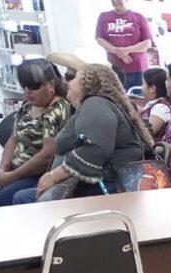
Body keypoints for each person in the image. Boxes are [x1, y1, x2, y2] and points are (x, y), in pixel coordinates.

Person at [13, 63, 155, 204]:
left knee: (20, 198)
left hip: (103, 188)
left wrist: (53, 176)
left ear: (88, 83)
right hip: (95, 184)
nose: (68, 82)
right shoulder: (95, 106)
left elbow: (94, 149)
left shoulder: (95, 104)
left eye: (74, 78)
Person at [0, 59, 71, 207]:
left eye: (34, 86)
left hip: (39, 173)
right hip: (17, 169)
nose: (27, 91)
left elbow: (47, 156)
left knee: (2, 198)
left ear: (51, 84)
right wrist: (2, 168)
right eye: (24, 86)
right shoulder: (27, 105)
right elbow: (13, 138)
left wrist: (12, 176)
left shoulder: (58, 110)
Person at [94, 0, 152, 91]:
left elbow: (147, 43)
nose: (115, 1)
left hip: (138, 69)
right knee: (115, 97)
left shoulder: (139, 17)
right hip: (113, 70)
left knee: (137, 97)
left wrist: (126, 50)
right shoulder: (103, 16)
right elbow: (100, 39)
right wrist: (119, 52)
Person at [140, 67, 171, 140]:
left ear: (152, 88)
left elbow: (145, 134)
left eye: (143, 84)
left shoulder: (161, 108)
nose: (141, 87)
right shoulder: (155, 105)